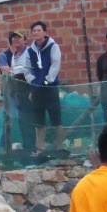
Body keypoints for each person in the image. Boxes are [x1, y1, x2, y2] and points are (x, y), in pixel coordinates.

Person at [25, 20, 62, 154]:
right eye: (34, 31)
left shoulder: (53, 47)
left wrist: (47, 81)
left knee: (56, 120)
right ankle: (40, 148)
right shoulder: (30, 50)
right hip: (37, 89)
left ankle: (59, 147)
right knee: (39, 121)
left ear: (44, 32)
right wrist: (32, 81)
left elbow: (55, 65)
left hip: (50, 88)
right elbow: (27, 69)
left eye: (38, 30)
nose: (36, 33)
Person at [0, 30, 32, 149]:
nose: (15, 41)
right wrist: (17, 70)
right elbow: (6, 69)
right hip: (9, 92)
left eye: (18, 38)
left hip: (23, 90)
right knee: (9, 119)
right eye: (13, 39)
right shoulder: (4, 55)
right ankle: (4, 146)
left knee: (25, 118)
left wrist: (18, 70)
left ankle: (27, 145)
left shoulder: (25, 53)